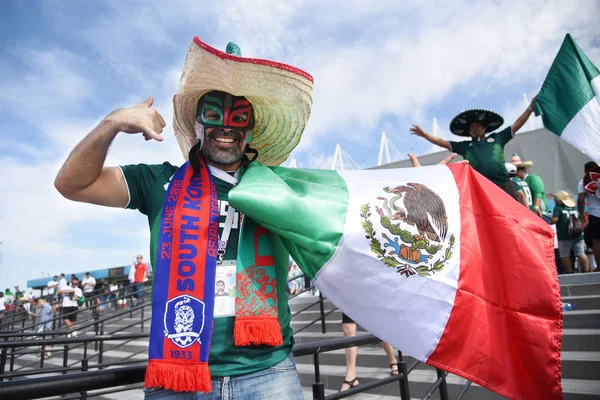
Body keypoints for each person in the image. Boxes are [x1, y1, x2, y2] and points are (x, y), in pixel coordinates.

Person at [54, 37, 460, 398]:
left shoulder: (283, 189)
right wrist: (111, 124)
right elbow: (73, 184)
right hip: (181, 377)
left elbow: (356, 215)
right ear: (197, 126)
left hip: (267, 373)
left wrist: (435, 184)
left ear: (251, 131)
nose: (225, 128)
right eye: (214, 116)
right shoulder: (157, 182)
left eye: (238, 119)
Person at [410, 97, 536, 199]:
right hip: (482, 188)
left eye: (478, 125)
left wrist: (530, 108)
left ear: (485, 127)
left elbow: (517, 124)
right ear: (468, 131)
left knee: (516, 217)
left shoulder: (498, 138)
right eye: (472, 127)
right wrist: (425, 135)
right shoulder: (465, 147)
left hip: (504, 185)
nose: (475, 128)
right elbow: (442, 142)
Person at [339, 312, 399, 391]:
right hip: (351, 300)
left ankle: (392, 360)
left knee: (377, 330)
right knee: (347, 328)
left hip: (369, 301)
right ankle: (351, 376)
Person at [550, 191, 590, 273]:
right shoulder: (574, 208)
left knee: (565, 255)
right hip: (578, 235)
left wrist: (550, 221)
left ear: (560, 201)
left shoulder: (558, 208)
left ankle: (570, 272)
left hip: (565, 236)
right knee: (581, 253)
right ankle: (587, 270)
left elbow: (554, 220)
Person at [579, 161, 600, 271]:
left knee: (597, 240)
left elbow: (581, 199)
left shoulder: (583, 182)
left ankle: (599, 266)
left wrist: (581, 213)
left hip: (595, 214)